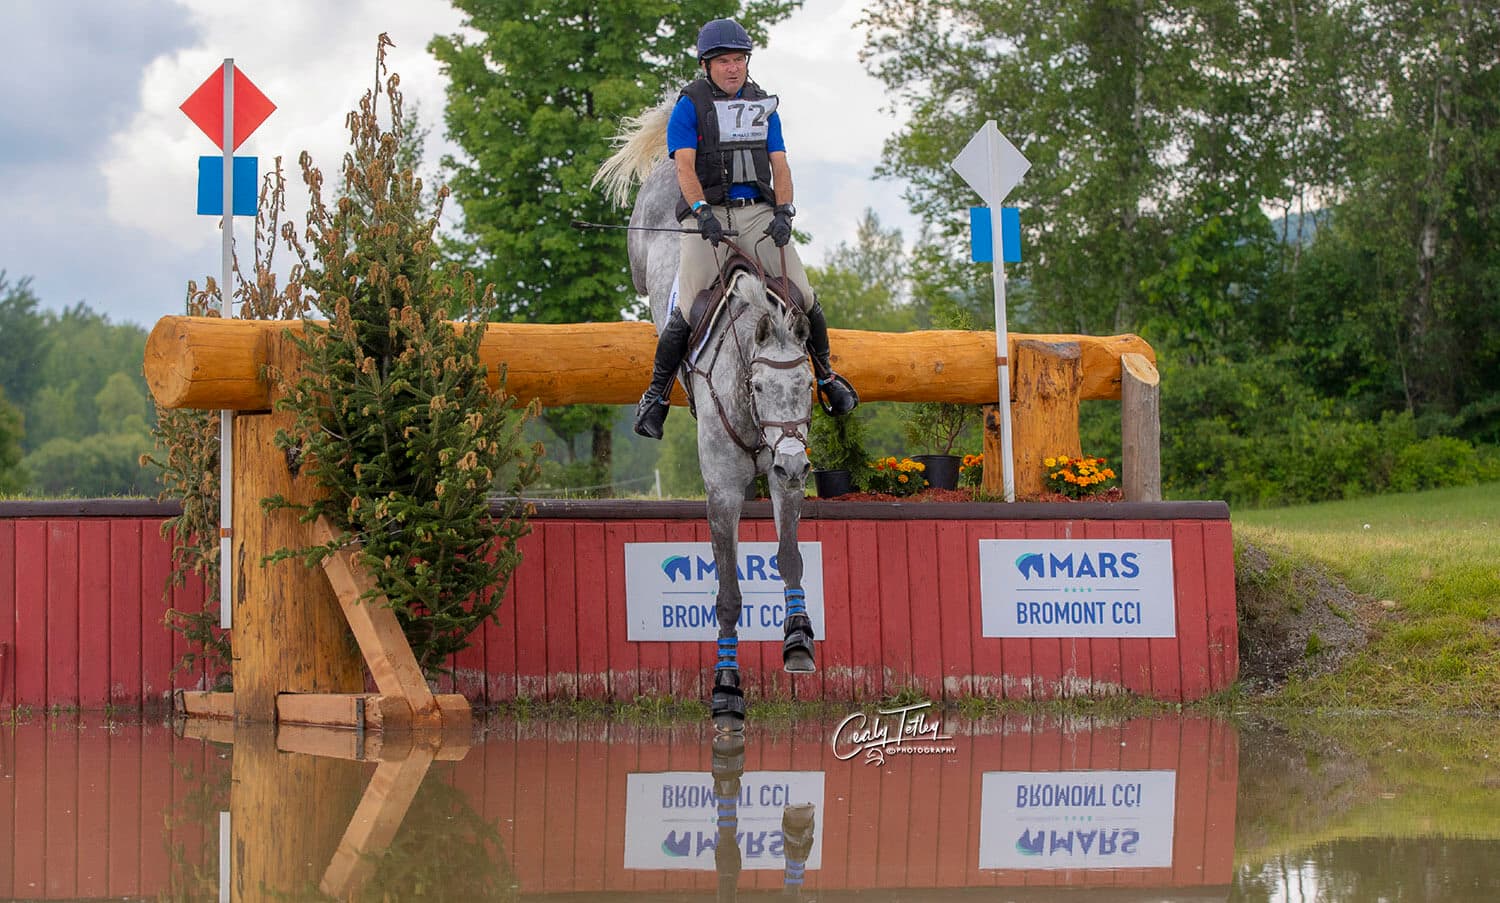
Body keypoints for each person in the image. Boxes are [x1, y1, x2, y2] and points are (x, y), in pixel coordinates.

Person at [633, 17, 858, 440]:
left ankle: (827, 377)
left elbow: (780, 164)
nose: (733, 68)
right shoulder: (689, 106)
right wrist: (700, 211)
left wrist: (784, 211)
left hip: (756, 213)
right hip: (708, 215)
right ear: (706, 65)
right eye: (724, 61)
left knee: (805, 294)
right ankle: (656, 397)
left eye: (739, 60)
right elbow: (684, 168)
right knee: (687, 306)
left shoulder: (762, 105)